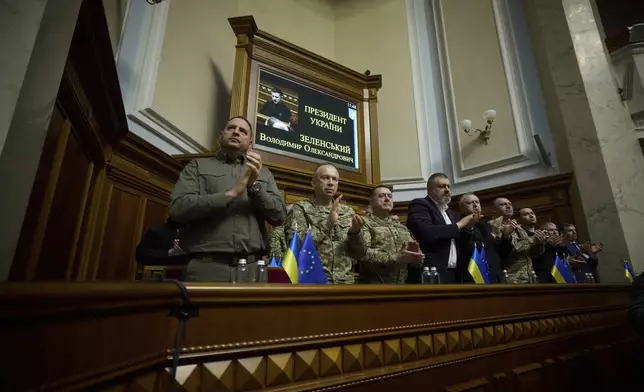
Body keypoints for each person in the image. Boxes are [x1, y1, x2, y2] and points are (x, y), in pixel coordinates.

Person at [169, 116, 286, 282]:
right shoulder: (197, 166)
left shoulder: (264, 174)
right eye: (231, 128)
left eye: (243, 131)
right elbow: (178, 209)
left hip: (253, 269)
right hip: (206, 268)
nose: (236, 132)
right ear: (221, 135)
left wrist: (254, 186)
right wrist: (229, 195)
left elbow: (279, 216)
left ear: (250, 143)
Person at [284, 164, 358, 284]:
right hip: (314, 281)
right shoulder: (301, 209)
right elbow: (297, 246)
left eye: (335, 179)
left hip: (345, 282)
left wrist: (356, 234)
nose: (330, 183)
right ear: (313, 182)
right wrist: (328, 223)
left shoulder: (348, 212)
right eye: (325, 177)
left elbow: (359, 252)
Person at [406, 173, 480, 284]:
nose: (447, 190)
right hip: (430, 272)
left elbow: (457, 241)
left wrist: (468, 228)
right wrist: (459, 225)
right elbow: (426, 232)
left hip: (454, 273)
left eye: (448, 186)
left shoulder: (449, 213)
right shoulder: (420, 204)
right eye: (441, 186)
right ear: (430, 190)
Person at [348, 185, 424, 283]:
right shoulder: (364, 223)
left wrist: (417, 257)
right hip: (374, 287)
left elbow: (415, 259)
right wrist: (396, 257)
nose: (387, 199)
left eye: (390, 196)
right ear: (371, 202)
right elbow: (363, 253)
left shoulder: (401, 227)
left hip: (402, 286)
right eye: (382, 196)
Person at [489, 198, 542, 283]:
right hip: (510, 279)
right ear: (494, 210)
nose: (508, 206)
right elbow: (503, 251)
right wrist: (532, 240)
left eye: (510, 204)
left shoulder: (520, 228)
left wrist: (538, 244)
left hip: (530, 278)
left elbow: (532, 255)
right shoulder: (492, 226)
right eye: (503, 204)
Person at [456, 194, 505, 283]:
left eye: (477, 202)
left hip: (494, 276)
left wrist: (506, 236)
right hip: (474, 277)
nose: (475, 205)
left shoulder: (487, 226)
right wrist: (493, 234)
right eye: (470, 203)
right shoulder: (460, 227)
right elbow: (476, 250)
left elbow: (498, 251)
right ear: (462, 209)